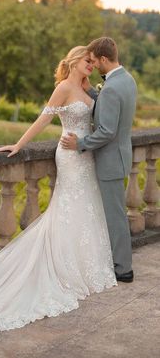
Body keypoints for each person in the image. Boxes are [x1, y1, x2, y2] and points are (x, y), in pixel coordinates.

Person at [0, 46, 116, 334]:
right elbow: (43, 119)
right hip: (69, 157)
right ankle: (63, 270)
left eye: (93, 62)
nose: (91, 65)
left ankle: (86, 268)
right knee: (67, 208)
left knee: (87, 208)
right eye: (87, 61)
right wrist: (19, 145)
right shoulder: (63, 87)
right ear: (74, 61)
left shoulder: (89, 87)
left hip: (87, 156)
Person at [61, 37, 137, 283]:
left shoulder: (113, 86)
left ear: (104, 58)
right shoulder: (127, 80)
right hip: (120, 157)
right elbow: (108, 108)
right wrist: (91, 91)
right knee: (115, 214)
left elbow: (106, 131)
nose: (93, 65)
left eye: (94, 60)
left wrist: (80, 144)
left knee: (115, 217)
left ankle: (123, 269)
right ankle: (119, 262)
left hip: (110, 162)